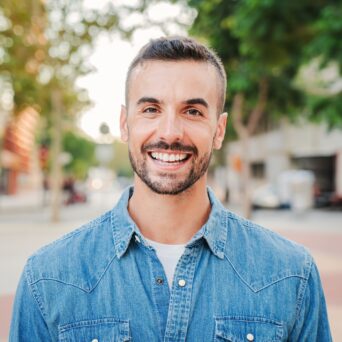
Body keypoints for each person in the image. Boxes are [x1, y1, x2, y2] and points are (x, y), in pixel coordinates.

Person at [10, 36, 331, 341]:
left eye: (192, 111)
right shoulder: (48, 276)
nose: (170, 132)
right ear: (125, 124)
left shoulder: (291, 274)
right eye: (151, 109)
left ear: (219, 131)